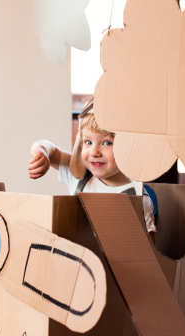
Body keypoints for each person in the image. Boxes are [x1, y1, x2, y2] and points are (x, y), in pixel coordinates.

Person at [28, 98, 156, 238]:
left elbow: (147, 251)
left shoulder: (138, 199)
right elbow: (49, 148)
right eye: (88, 142)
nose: (94, 152)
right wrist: (41, 152)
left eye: (107, 143)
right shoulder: (79, 177)